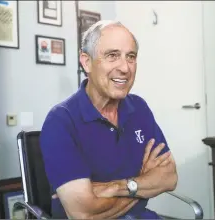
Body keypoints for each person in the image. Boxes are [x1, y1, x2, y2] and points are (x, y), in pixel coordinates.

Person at [40, 20, 178, 219]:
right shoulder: (61, 120)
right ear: (86, 61)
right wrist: (143, 182)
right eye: (112, 56)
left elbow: (169, 178)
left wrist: (116, 187)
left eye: (131, 57)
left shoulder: (139, 108)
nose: (125, 68)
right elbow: (83, 214)